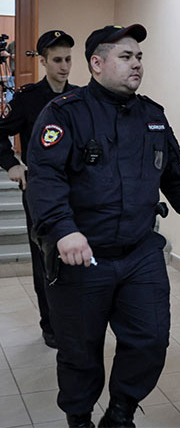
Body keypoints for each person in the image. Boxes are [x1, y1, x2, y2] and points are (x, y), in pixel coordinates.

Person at [26, 24, 180, 428]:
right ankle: (80, 417)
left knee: (151, 340)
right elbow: (45, 176)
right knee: (80, 351)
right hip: (83, 257)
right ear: (97, 64)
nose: (137, 64)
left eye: (139, 57)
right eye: (126, 56)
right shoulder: (65, 113)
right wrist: (63, 229)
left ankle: (120, 414)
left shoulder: (153, 116)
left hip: (140, 252)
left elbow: (175, 178)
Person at [0, 30, 76, 349]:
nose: (64, 66)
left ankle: (75, 320)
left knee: (76, 256)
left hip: (75, 193)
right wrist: (12, 164)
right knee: (46, 259)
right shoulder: (28, 98)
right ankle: (51, 325)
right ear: (43, 62)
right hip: (40, 192)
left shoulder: (81, 98)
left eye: (68, 59)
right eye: (57, 60)